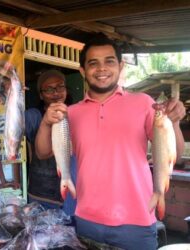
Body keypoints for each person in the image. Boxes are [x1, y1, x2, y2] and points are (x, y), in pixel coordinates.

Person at [35, 34, 186, 250]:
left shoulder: (144, 103)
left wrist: (175, 123)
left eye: (109, 61)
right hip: (87, 220)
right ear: (82, 71)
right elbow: (42, 153)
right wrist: (46, 123)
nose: (102, 68)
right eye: (93, 63)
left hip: (137, 222)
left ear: (121, 66)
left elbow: (175, 155)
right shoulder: (72, 113)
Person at [25, 69, 77, 215]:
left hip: (71, 195)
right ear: (41, 95)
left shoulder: (76, 113)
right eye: (49, 89)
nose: (56, 93)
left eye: (60, 87)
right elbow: (13, 125)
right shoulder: (33, 116)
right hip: (41, 193)